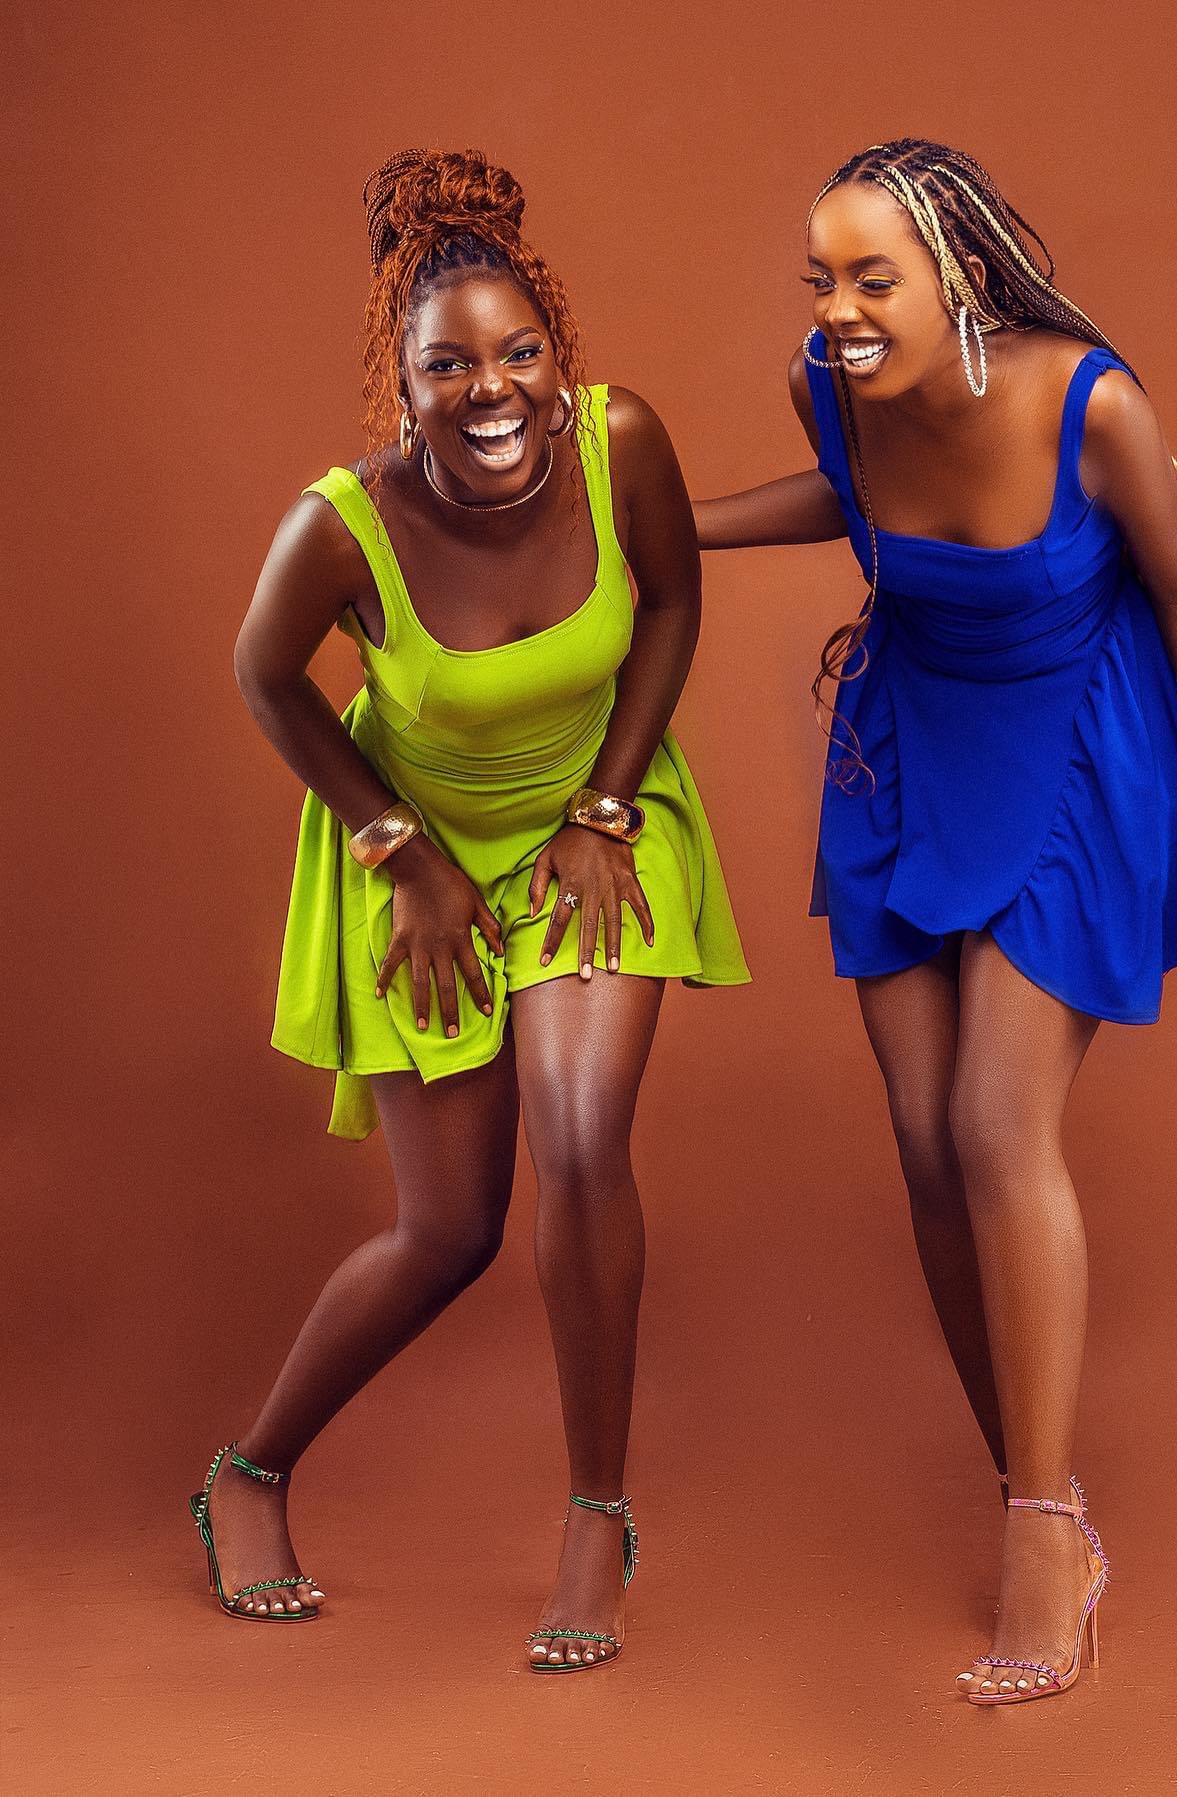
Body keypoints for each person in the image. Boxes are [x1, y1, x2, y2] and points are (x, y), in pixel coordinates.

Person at [694, 138, 1177, 1704]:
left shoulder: (1091, 402)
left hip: (1080, 748)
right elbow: (849, 502)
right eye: (822, 279)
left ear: (962, 275)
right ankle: (1039, 1481)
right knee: (924, 1141)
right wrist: (672, 526)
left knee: (993, 1123)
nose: (839, 310)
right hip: (908, 740)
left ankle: (1042, 1532)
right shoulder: (828, 387)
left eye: (873, 278)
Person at [191, 148, 748, 1672]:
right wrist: (402, 852)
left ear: (557, 356)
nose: (492, 391)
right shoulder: (343, 523)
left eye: (519, 355)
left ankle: (595, 1517)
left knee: (582, 1130)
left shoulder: (620, 441)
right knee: (448, 1230)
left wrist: (608, 806)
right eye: (450, 366)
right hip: (416, 849)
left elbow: (674, 601)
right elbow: (263, 675)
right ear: (405, 381)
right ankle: (249, 1472)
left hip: (596, 825)